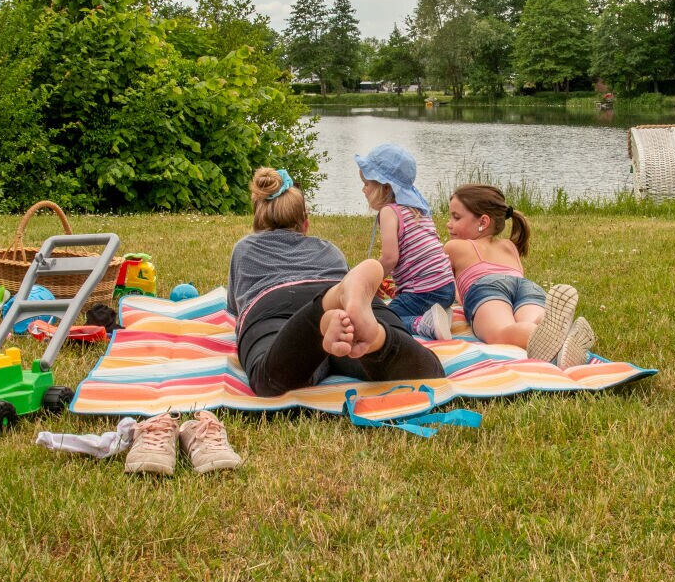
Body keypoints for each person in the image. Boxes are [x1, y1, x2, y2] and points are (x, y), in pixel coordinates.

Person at [226, 167, 446, 397]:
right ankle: (377, 337)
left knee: (269, 380)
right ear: (305, 224)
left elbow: (234, 308)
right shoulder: (329, 250)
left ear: (257, 221)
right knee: (428, 372)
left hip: (275, 305)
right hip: (339, 293)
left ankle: (323, 312)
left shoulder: (245, 249)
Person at [443, 183, 595, 368]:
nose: (448, 223)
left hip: (487, 288)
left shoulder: (455, 247)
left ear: (483, 222)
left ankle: (538, 336)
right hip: (526, 287)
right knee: (531, 319)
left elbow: (442, 288)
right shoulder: (509, 246)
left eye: (455, 217)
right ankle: (557, 332)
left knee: (502, 331)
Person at [356, 143, 456, 341]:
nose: (363, 189)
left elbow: (390, 258)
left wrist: (369, 281)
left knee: (382, 317)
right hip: (446, 287)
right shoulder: (417, 210)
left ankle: (423, 324)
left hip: (425, 291)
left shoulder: (389, 212)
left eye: (367, 183)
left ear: (383, 186)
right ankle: (437, 314)